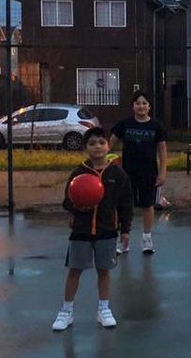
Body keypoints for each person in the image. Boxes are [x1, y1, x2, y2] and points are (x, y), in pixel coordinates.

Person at [53, 127, 133, 332]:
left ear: (108, 146)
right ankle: (66, 311)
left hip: (107, 229)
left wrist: (126, 229)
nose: (97, 147)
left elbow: (126, 203)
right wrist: (77, 207)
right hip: (81, 230)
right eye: (92, 143)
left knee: (104, 271)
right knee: (75, 270)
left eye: (101, 142)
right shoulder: (79, 173)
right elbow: (66, 201)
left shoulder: (117, 173)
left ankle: (103, 309)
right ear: (85, 148)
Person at [111, 91, 168, 255]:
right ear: (132, 106)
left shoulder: (156, 126)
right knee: (124, 206)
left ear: (149, 106)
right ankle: (124, 239)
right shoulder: (124, 124)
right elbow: (110, 144)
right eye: (137, 103)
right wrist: (106, 161)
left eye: (144, 103)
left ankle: (147, 239)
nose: (141, 106)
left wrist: (162, 172)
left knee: (147, 205)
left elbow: (163, 151)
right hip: (126, 173)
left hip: (148, 172)